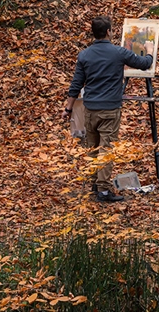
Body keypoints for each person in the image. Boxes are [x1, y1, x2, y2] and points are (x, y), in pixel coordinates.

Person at [63, 16, 154, 202]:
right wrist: (150, 52)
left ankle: (94, 184)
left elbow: (76, 84)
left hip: (90, 109)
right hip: (109, 110)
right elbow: (144, 64)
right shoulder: (118, 53)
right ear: (108, 32)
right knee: (106, 149)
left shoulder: (84, 55)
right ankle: (103, 191)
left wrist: (68, 108)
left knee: (93, 147)